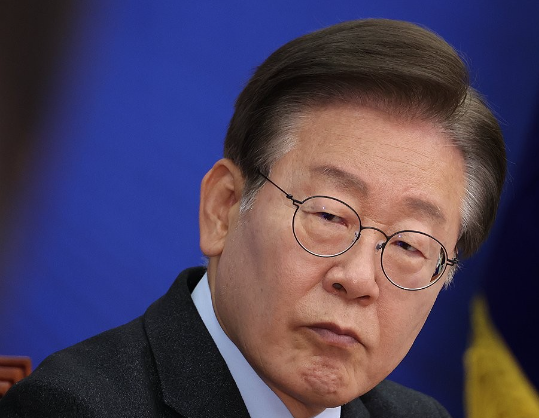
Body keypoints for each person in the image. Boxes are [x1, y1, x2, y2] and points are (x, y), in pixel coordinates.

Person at [0, 18, 506, 417]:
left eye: (410, 245)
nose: (357, 279)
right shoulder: (74, 407)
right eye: (329, 215)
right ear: (223, 209)